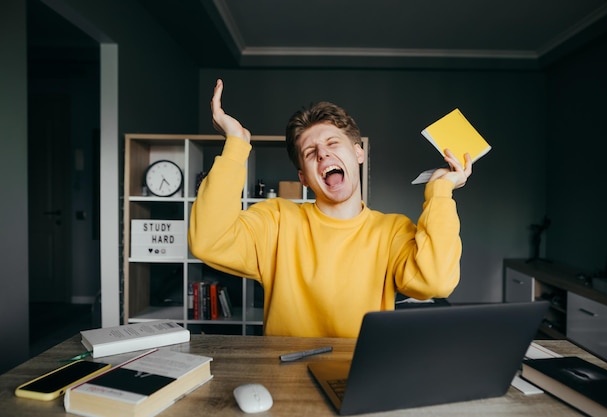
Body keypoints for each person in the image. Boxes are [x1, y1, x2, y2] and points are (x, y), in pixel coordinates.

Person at [189, 79, 472, 338]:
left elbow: (435, 282)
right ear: (303, 177)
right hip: (285, 380)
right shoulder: (276, 220)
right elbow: (208, 241)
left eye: (332, 143)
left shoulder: (392, 231)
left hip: (360, 377)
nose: (323, 153)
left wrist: (440, 192)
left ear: (358, 152)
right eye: (310, 153)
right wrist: (237, 144)